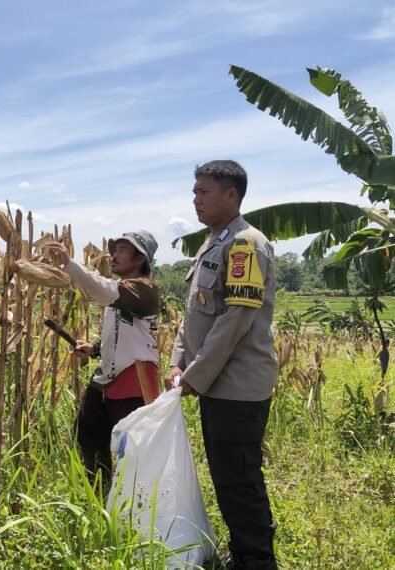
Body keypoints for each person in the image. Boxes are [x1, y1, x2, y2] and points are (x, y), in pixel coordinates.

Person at [166, 160, 278, 570]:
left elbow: (235, 321)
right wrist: (178, 362)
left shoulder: (246, 244)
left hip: (238, 386)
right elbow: (193, 315)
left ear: (231, 195)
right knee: (226, 475)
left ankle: (256, 560)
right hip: (214, 384)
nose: (195, 199)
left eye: (203, 192)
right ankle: (245, 552)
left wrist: (193, 376)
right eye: (194, 191)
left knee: (239, 478)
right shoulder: (213, 242)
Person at [45, 231, 161, 484]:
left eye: (121, 250)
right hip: (107, 377)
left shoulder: (146, 290)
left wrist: (69, 263)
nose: (113, 255)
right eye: (114, 249)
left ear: (140, 258)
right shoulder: (121, 292)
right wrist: (95, 347)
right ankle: (101, 490)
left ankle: (134, 499)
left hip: (133, 378)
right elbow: (121, 331)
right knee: (87, 433)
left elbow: (103, 290)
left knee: (130, 445)